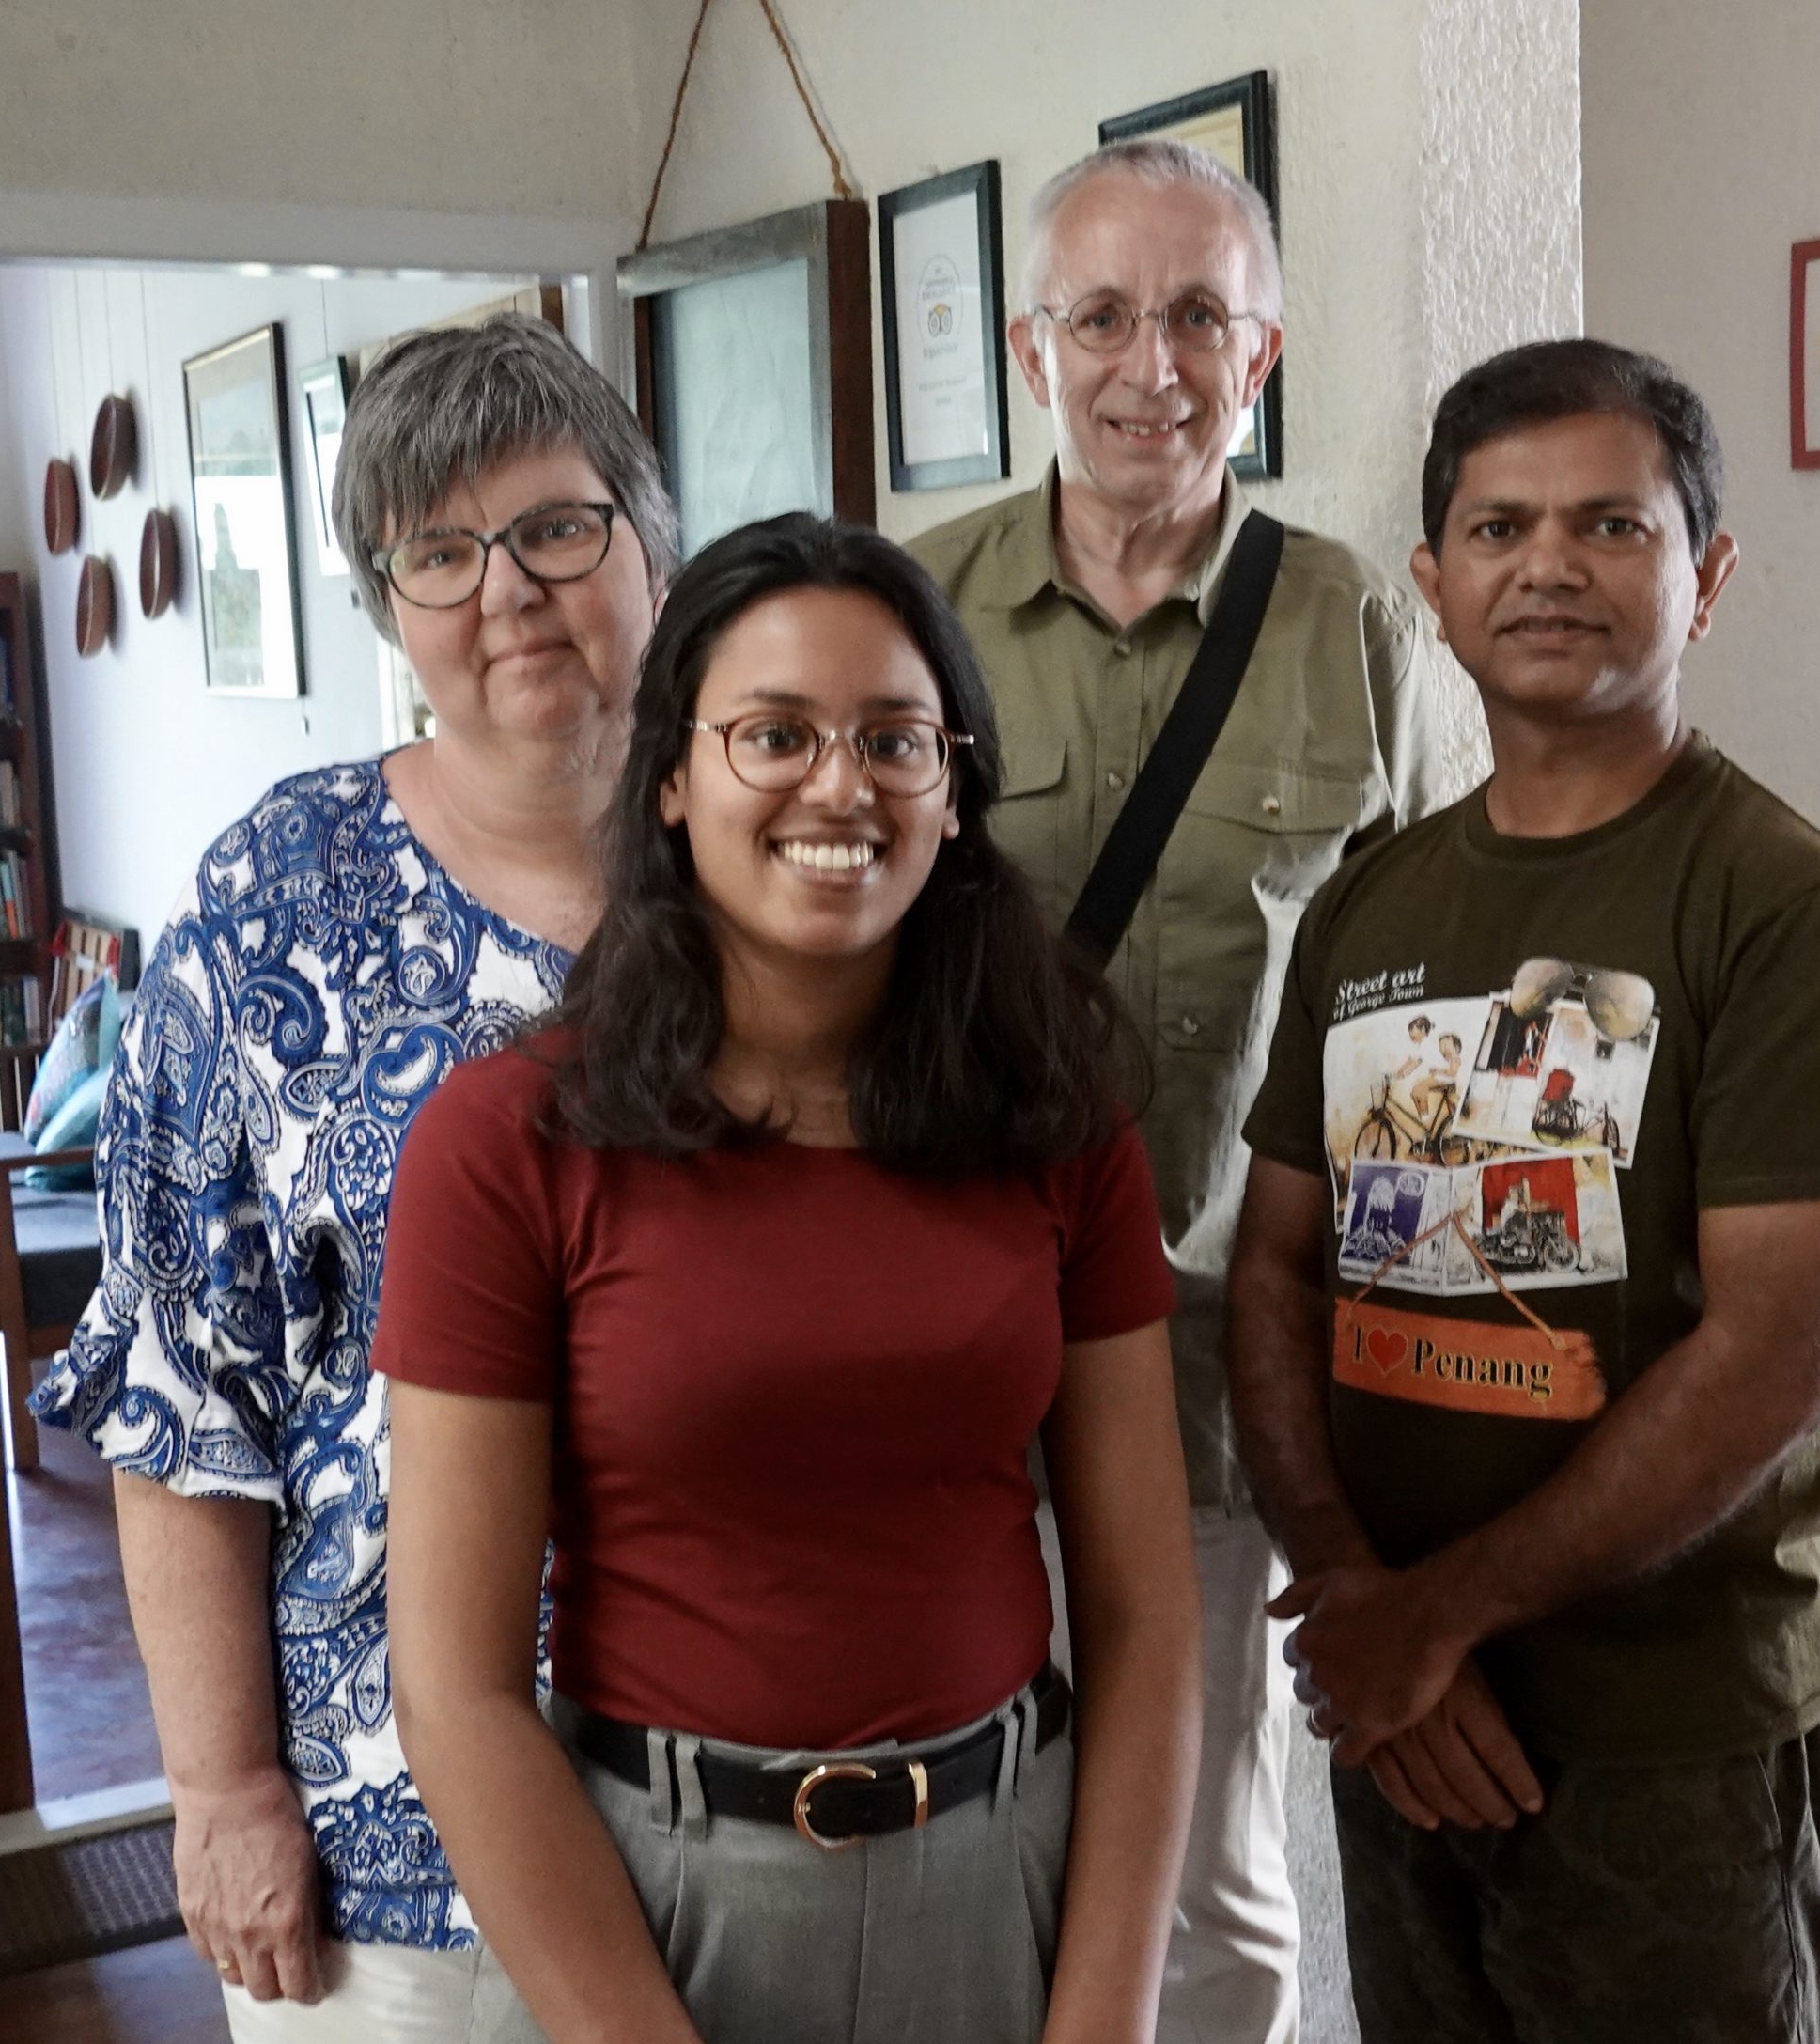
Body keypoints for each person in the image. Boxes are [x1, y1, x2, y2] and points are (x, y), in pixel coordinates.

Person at [369, 516, 1204, 2044]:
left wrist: (1106, 2020)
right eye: (774, 735)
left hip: (997, 1886)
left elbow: (1147, 1621)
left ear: (953, 791)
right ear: (672, 780)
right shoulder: (506, 1145)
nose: (840, 786)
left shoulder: (1055, 1115)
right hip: (652, 1915)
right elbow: (456, 1693)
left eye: (896, 740)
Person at [1227, 338, 1820, 2042]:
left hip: (1672, 1747)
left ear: (1706, 576)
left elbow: (1766, 1365)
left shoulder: (1792, 911)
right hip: (1407, 1713)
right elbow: (1275, 1271)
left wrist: (1430, 1619)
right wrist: (1355, 1595)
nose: (1548, 565)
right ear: (1432, 584)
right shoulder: (1367, 905)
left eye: (1612, 526)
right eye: (1500, 528)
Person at [31, 312, 677, 2038]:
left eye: (555, 528)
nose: (507, 592)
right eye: (439, 555)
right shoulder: (275, 904)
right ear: (390, 608)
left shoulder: (783, 860)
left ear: (647, 540)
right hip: (391, 1848)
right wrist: (221, 1787)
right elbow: (182, 1384)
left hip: (751, 1806)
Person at [910, 137, 1439, 2042]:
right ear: (1029, 351)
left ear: (1262, 351)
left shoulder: (1352, 625)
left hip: (1220, 1362)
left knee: (1208, 1869)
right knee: (973, 1832)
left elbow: (1416, 1007)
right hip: (944, 1355)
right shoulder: (912, 608)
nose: (1153, 365)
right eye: (1104, 317)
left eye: (1200, 317)